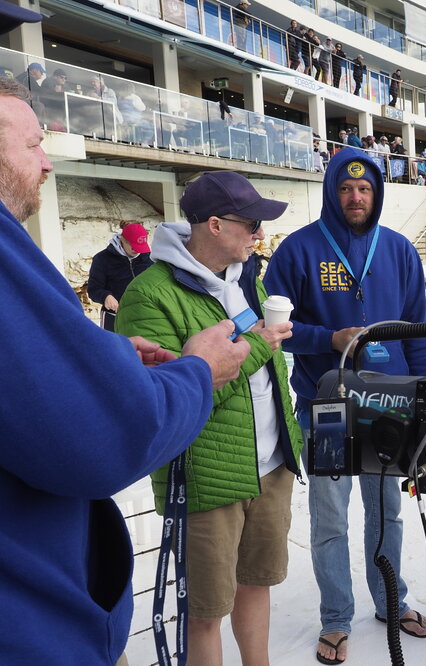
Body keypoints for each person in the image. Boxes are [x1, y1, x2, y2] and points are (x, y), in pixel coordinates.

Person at [0, 73, 249, 663]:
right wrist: (198, 370)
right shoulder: (151, 285)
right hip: (32, 631)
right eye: (35, 144)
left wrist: (106, 356)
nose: (48, 164)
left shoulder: (247, 279)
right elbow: (100, 433)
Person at [116, 172, 302, 665]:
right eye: (252, 223)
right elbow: (169, 399)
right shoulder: (149, 295)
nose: (260, 233)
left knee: (256, 585)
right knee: (205, 612)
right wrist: (261, 343)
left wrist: (291, 434)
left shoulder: (246, 279)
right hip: (207, 480)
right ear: (215, 225)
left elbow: (264, 379)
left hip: (270, 465)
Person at [264, 147, 426, 665]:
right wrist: (327, 339)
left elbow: (419, 331)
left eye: (364, 189)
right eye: (345, 188)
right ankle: (336, 617)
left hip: (389, 404)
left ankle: (390, 600)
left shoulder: (401, 250)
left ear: (377, 193)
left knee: (388, 513)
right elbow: (273, 330)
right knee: (330, 519)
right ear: (331, 192)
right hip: (329, 405)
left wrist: (425, 399)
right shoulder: (298, 250)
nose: (355, 197)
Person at [87, 222, 153, 331]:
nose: (137, 250)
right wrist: (105, 296)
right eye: (133, 246)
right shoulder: (102, 259)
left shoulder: (149, 258)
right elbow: (94, 290)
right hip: (115, 317)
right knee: (115, 347)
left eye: (140, 246)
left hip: (145, 316)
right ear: (123, 240)